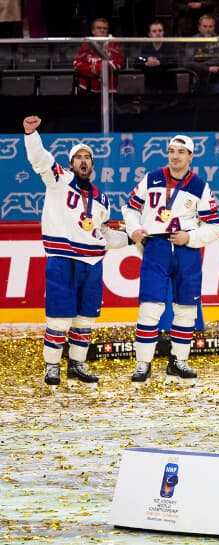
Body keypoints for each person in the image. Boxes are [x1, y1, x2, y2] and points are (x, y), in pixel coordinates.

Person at [24, 115, 129, 387]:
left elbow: (103, 233)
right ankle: (51, 367)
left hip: (92, 263)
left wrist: (131, 238)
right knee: (59, 318)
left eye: (88, 157)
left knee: (85, 319)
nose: (84, 161)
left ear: (93, 164)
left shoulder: (102, 199)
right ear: (71, 163)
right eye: (79, 157)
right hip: (63, 259)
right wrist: (31, 135)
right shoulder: (59, 180)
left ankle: (77, 365)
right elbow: (40, 160)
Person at [122, 135, 219, 382]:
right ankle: (143, 364)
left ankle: (178, 361)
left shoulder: (200, 186)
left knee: (186, 309)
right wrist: (133, 228)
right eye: (171, 151)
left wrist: (190, 238)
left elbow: (215, 227)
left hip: (186, 250)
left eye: (181, 152)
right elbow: (131, 208)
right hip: (156, 246)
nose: (175, 156)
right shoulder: (152, 178)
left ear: (190, 156)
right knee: (150, 307)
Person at [73, 18, 125, 92]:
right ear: (93, 31)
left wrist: (98, 68)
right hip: (87, 89)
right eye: (99, 28)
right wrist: (91, 70)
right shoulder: (86, 44)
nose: (102, 30)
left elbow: (119, 64)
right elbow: (77, 64)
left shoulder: (114, 43)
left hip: (109, 89)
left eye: (105, 28)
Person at [189, 13, 219, 94]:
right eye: (205, 26)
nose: (208, 29)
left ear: (214, 28)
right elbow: (188, 62)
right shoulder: (193, 41)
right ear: (199, 28)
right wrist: (207, 68)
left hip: (217, 80)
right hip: (198, 79)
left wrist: (202, 64)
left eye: (210, 26)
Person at [134, 20, 179, 94]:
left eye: (160, 31)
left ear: (163, 33)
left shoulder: (170, 46)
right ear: (149, 34)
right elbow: (137, 60)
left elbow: (175, 61)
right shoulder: (145, 47)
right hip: (150, 88)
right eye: (154, 31)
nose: (158, 33)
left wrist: (160, 62)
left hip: (169, 87)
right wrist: (146, 62)